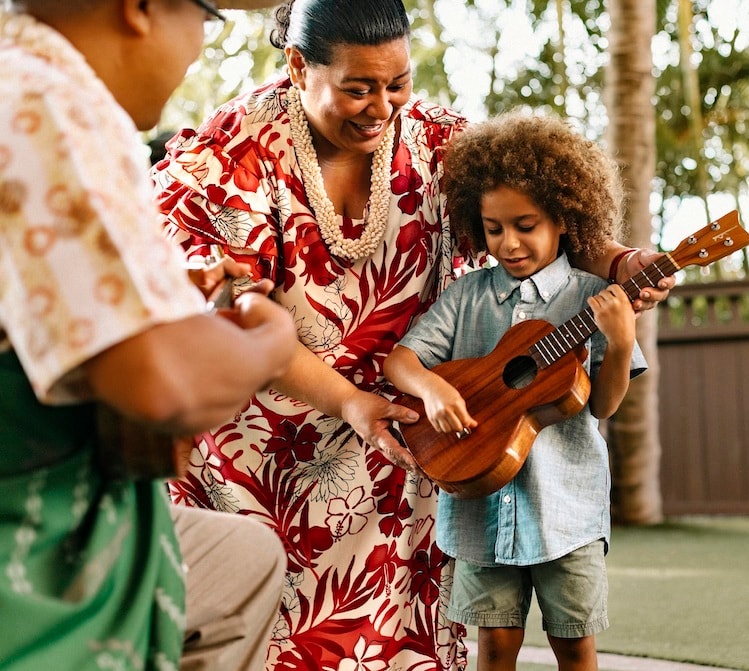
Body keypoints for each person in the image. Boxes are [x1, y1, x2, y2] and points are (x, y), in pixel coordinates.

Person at [152, 0, 672, 668]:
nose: (382, 106)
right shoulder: (235, 155)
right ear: (296, 65)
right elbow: (227, 307)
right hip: (263, 459)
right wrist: (346, 400)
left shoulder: (442, 142)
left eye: (398, 82)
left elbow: (535, 213)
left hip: (413, 436)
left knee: (399, 638)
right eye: (358, 88)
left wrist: (620, 261)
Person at [0, 0, 298, 669]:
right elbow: (162, 383)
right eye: (208, 19)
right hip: (23, 540)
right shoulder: (42, 102)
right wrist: (271, 343)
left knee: (245, 559)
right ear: (139, 9)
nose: (198, 46)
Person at [383, 112, 646, 671]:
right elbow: (400, 361)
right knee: (495, 646)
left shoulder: (592, 296)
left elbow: (600, 405)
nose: (509, 242)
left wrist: (620, 344)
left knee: (574, 645)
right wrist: (430, 389)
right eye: (494, 228)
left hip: (565, 511)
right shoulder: (466, 297)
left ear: (564, 219)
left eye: (525, 225)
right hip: (479, 504)